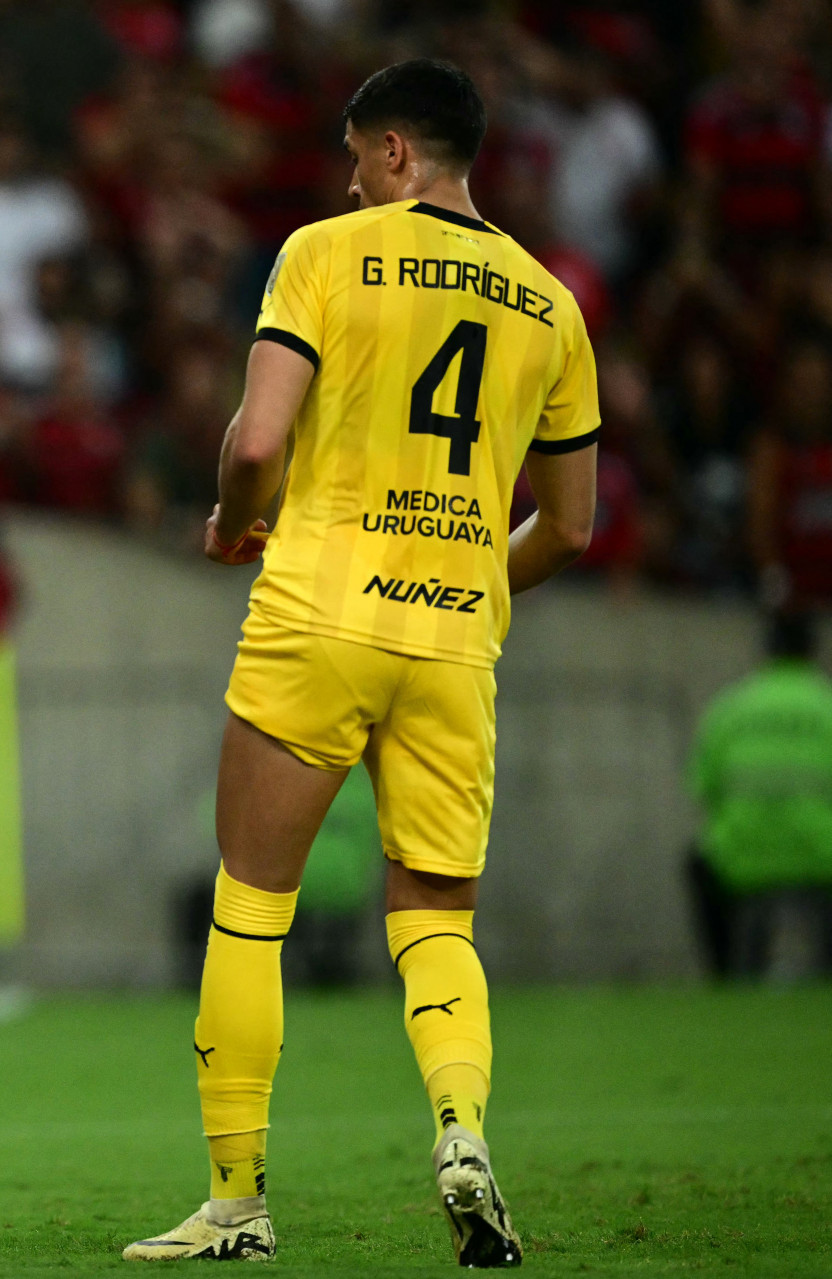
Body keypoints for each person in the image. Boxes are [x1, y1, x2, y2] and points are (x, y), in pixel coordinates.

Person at [123, 60, 599, 1266]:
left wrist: (235, 521)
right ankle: (460, 1127)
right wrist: (476, 578)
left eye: (354, 155)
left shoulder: (328, 252)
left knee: (250, 910)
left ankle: (235, 1203)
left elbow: (259, 437)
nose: (346, 178)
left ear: (395, 153)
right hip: (453, 642)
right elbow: (577, 524)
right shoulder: (553, 304)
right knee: (436, 922)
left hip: (319, 614)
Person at [687, 611, 832, 978]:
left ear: (766, 652)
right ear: (812, 651)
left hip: (742, 861)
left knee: (698, 861)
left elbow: (703, 788)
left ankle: (725, 978)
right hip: (821, 859)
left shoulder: (731, 707)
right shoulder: (826, 705)